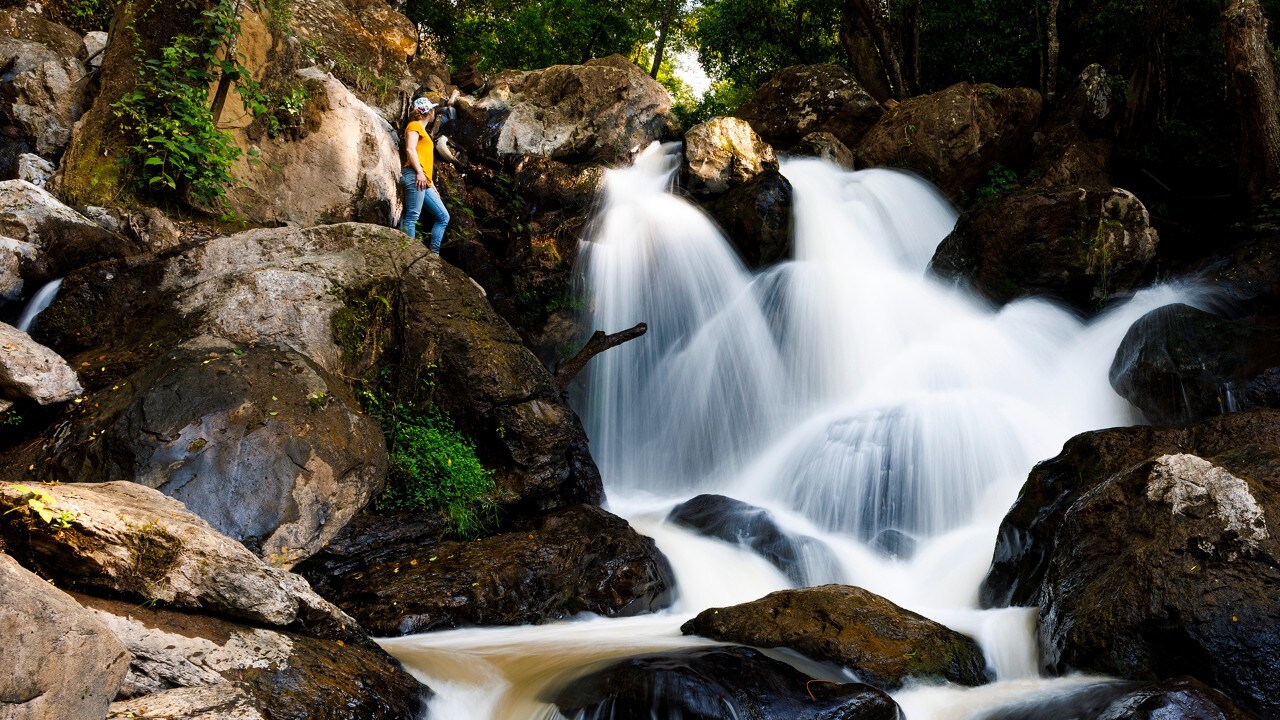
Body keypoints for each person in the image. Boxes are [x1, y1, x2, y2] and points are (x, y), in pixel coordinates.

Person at [399, 96, 450, 252]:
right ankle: (409, 253)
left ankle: (434, 254)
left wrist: (431, 182)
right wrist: (420, 172)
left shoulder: (424, 132)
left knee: (443, 217)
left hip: (423, 179)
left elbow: (423, 157)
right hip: (415, 175)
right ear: (429, 112)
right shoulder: (414, 125)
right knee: (413, 216)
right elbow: (410, 149)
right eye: (433, 109)